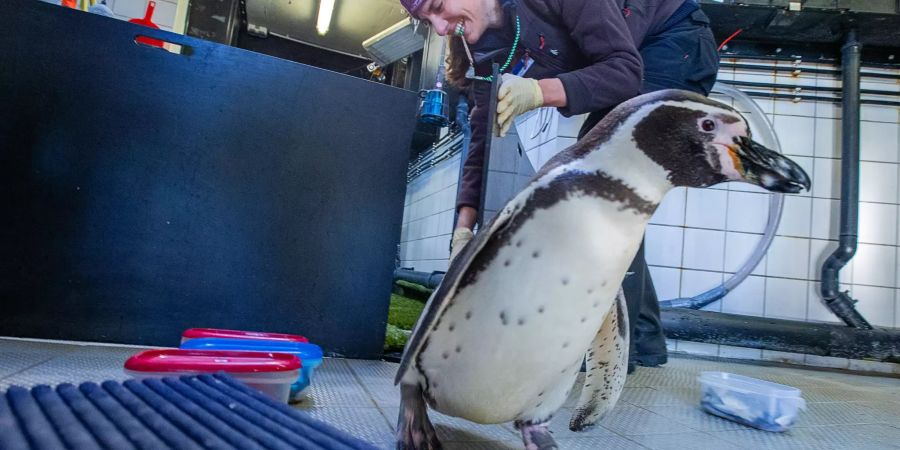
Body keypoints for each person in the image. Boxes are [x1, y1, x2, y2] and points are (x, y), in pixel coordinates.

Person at [400, 0, 719, 372]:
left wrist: (537, 91)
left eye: (438, 7)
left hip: (676, 41)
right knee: (604, 183)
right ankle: (644, 336)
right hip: (645, 52)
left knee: (598, 175)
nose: (439, 29)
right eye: (427, 21)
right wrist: (463, 230)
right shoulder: (483, 52)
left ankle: (607, 350)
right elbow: (483, 138)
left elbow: (623, 73)